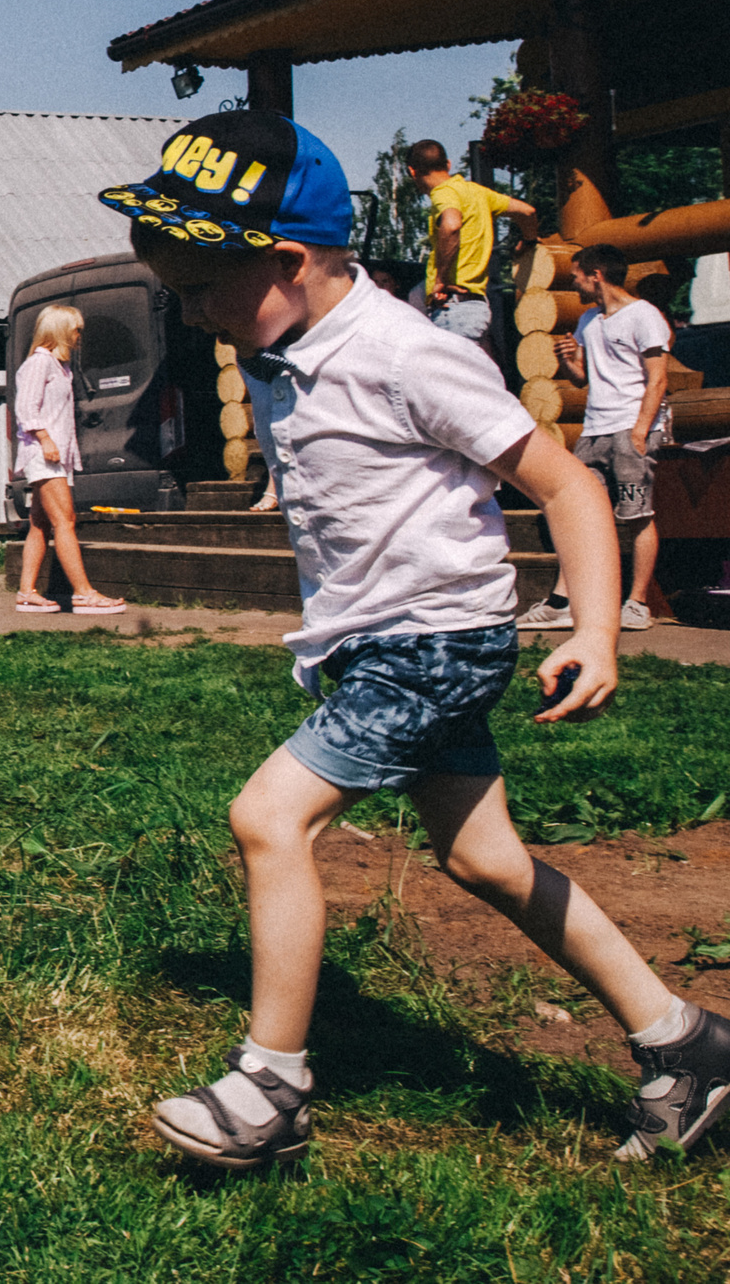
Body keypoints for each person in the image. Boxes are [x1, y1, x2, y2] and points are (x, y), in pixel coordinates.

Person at [99, 109, 729, 1170]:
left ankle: (270, 1089)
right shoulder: (274, 340)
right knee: (485, 862)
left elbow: (565, 482)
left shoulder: (407, 355)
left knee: (267, 817)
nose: (191, 312)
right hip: (378, 644)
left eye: (202, 287)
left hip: (433, 643)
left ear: (289, 263)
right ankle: (688, 1044)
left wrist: (593, 631)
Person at [518, 243, 672, 634]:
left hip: (630, 429)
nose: (574, 284)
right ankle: (563, 602)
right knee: (580, 513)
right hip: (593, 429)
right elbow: (583, 379)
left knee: (637, 515)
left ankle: (636, 604)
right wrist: (570, 359)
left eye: (576, 277)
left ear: (596, 275)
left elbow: (658, 378)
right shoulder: (590, 320)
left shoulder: (643, 316)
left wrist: (640, 430)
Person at [10, 304, 124, 614]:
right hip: (44, 454)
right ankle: (84, 593)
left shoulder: (62, 367)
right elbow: (25, 410)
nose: (79, 336)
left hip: (54, 454)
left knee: (40, 523)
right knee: (66, 520)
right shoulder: (39, 364)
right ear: (59, 330)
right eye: (76, 330)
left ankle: (26, 592)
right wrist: (46, 440)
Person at [410, 139, 535, 344]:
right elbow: (528, 211)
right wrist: (528, 241)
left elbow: (451, 225)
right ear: (448, 164)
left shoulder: (443, 192)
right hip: (474, 307)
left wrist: (440, 279)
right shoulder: (477, 192)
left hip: (453, 310)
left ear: (412, 172)